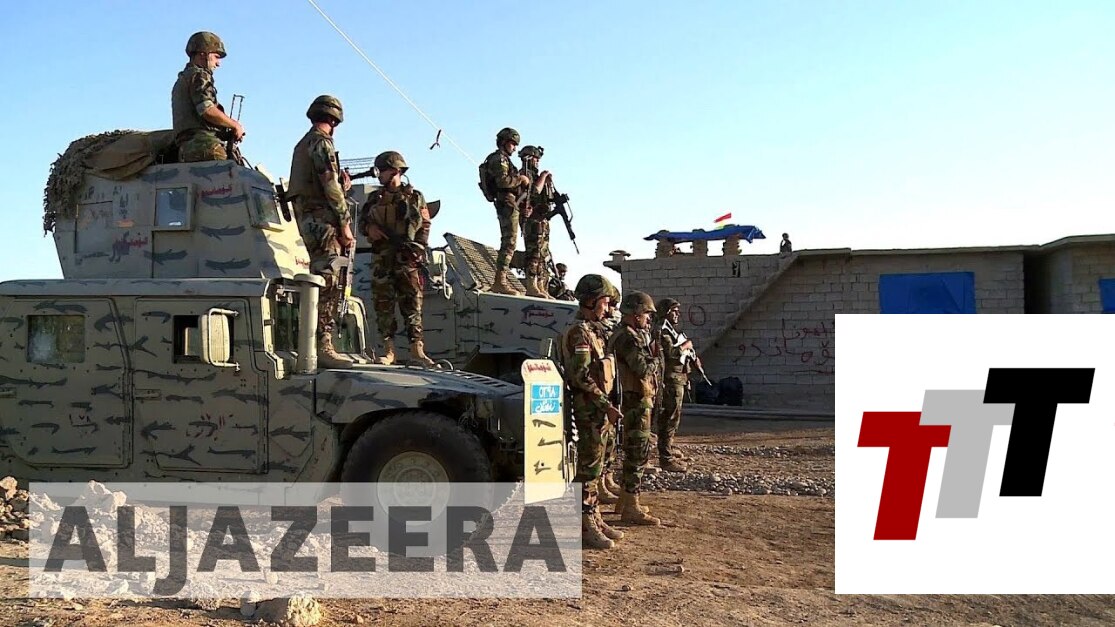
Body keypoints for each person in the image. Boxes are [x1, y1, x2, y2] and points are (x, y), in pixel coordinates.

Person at [285, 95, 354, 369]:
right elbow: (329, 185)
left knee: (321, 276)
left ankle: (315, 342)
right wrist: (345, 223)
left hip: (308, 219)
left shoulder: (303, 144)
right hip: (322, 221)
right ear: (334, 121)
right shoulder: (322, 142)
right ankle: (323, 345)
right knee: (329, 278)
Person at [558, 275, 626, 550]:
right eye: (604, 302)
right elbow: (581, 377)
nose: (607, 308)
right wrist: (605, 404)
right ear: (590, 301)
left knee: (597, 468)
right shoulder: (579, 333)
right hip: (589, 410)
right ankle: (584, 525)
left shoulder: (593, 330)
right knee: (588, 469)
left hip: (599, 410)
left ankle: (594, 517)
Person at [358, 151, 434, 367]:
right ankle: (389, 351)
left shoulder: (415, 197)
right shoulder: (375, 198)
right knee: (383, 304)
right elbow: (362, 222)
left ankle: (417, 350)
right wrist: (370, 229)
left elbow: (425, 224)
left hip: (407, 258)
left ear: (395, 171)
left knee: (412, 303)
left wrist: (418, 248)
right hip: (382, 258)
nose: (379, 175)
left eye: (382, 171)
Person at [607, 291, 663, 526]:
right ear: (636, 313)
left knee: (635, 452)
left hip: (634, 400)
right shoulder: (627, 338)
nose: (648, 318)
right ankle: (631, 506)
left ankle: (625, 501)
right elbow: (642, 369)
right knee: (638, 453)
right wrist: (657, 358)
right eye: (647, 313)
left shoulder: (627, 335)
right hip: (633, 402)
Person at [171, 31, 245, 163]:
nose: (218, 63)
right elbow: (207, 109)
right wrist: (235, 125)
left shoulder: (184, 78)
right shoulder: (199, 75)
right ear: (203, 54)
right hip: (203, 145)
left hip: (188, 147)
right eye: (216, 57)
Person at [480, 127, 530, 295]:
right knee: (509, 242)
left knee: (510, 242)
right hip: (506, 201)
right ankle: (499, 282)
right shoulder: (499, 159)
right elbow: (503, 181)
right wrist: (521, 179)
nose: (514, 148)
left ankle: (500, 280)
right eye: (512, 144)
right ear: (504, 142)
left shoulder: (504, 160)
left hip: (510, 201)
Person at [654, 298, 698, 472]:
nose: (677, 314)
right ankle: (666, 457)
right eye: (673, 311)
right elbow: (672, 353)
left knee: (674, 418)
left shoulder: (670, 331)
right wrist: (686, 346)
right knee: (669, 418)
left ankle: (669, 449)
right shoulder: (662, 331)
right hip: (670, 380)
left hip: (678, 378)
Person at [517, 145, 554, 299]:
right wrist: (543, 176)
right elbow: (533, 192)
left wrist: (548, 183)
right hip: (531, 220)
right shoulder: (524, 174)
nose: (537, 162)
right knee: (533, 253)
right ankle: (532, 285)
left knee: (543, 254)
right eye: (535, 159)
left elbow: (547, 199)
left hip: (541, 219)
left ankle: (541, 285)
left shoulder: (535, 176)